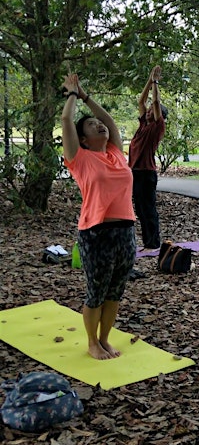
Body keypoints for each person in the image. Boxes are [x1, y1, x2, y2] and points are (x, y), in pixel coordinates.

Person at [61, 73, 136, 360]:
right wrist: (72, 94)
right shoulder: (79, 158)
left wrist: (86, 96)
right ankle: (92, 342)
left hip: (126, 231)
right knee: (96, 291)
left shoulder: (116, 153)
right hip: (96, 233)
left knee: (116, 291)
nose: (100, 125)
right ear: (83, 139)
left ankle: (105, 339)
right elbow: (67, 122)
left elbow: (112, 121)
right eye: (93, 125)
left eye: (99, 123)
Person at [128, 66, 166, 251]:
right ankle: (148, 243)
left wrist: (156, 84)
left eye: (153, 110)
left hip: (146, 173)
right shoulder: (144, 124)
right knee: (141, 210)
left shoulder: (157, 127)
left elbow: (156, 102)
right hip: (134, 172)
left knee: (148, 209)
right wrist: (149, 81)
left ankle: (153, 243)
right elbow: (141, 101)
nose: (149, 111)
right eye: (149, 110)